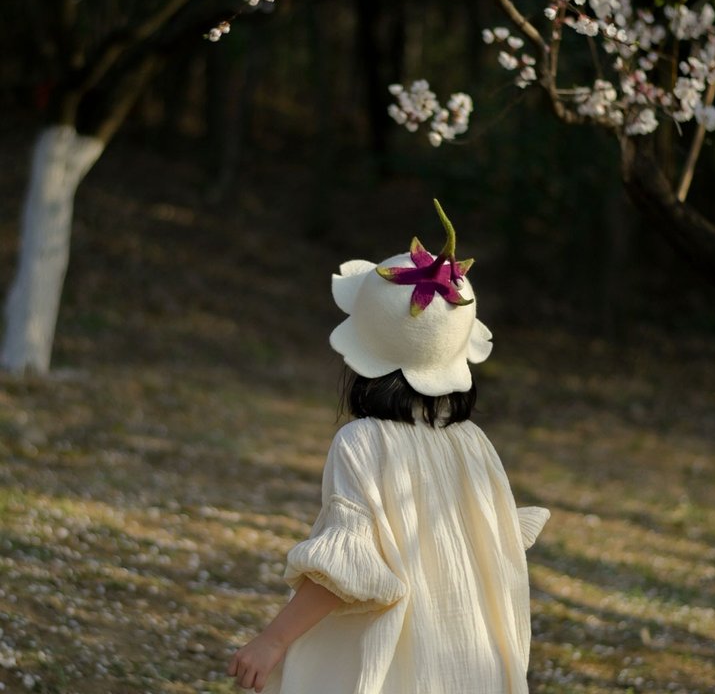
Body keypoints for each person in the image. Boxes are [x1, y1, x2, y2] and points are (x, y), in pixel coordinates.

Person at [227, 200, 550, 694]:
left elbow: (347, 564)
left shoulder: (362, 442)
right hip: (470, 663)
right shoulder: (473, 442)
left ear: (361, 352)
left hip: (398, 667)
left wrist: (273, 639)